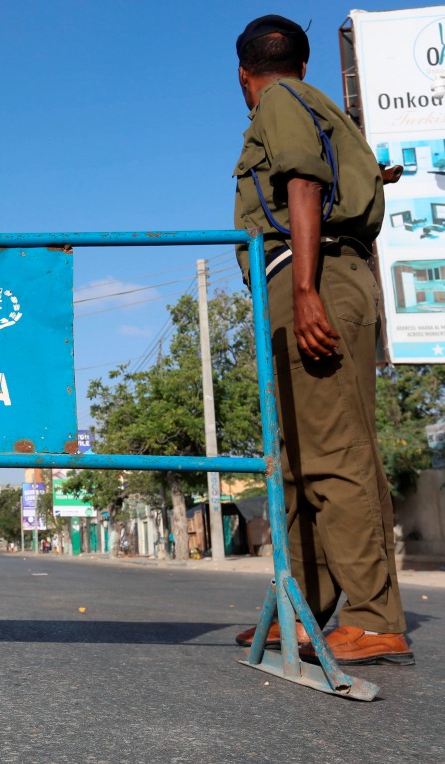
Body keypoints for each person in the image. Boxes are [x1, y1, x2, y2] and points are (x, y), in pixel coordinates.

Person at [230, 16, 410, 665]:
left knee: (332, 451)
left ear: (244, 76)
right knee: (298, 457)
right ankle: (302, 608)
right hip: (317, 274)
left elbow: (303, 182)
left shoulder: (279, 102)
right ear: (304, 62)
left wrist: (306, 290)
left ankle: (372, 617)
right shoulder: (318, 104)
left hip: (315, 277)